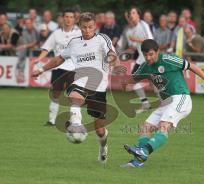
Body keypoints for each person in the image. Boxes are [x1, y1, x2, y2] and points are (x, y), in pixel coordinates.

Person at [32, 12, 120, 163]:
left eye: (90, 27)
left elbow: (112, 53)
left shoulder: (102, 39)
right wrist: (41, 69)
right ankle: (76, 125)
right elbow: (59, 59)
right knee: (74, 96)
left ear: (95, 26)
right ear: (79, 26)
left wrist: (111, 59)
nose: (87, 30)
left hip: (98, 88)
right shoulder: (74, 43)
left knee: (100, 130)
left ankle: (103, 148)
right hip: (80, 82)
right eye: (84, 27)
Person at [121, 39, 204, 167]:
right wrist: (124, 82)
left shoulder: (169, 59)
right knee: (145, 127)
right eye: (145, 55)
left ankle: (143, 152)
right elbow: (132, 80)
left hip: (181, 98)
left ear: (158, 52)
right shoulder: (145, 66)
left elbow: (192, 66)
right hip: (166, 102)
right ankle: (138, 161)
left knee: (164, 125)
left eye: (151, 54)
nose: (148, 57)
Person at [32, 8, 82, 126]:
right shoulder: (56, 33)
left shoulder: (79, 33)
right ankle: (51, 120)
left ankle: (74, 121)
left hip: (73, 68)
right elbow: (46, 48)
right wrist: (39, 58)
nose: (69, 19)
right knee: (55, 94)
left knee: (73, 96)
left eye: (71, 17)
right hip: (57, 67)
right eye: (66, 17)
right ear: (62, 18)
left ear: (74, 19)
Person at [125, 6, 153, 113]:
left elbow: (150, 40)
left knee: (156, 83)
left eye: (133, 13)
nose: (131, 15)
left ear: (138, 15)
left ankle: (165, 103)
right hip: (141, 58)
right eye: (130, 13)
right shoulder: (133, 29)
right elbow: (133, 45)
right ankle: (145, 103)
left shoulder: (143, 24)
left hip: (150, 57)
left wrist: (135, 39)